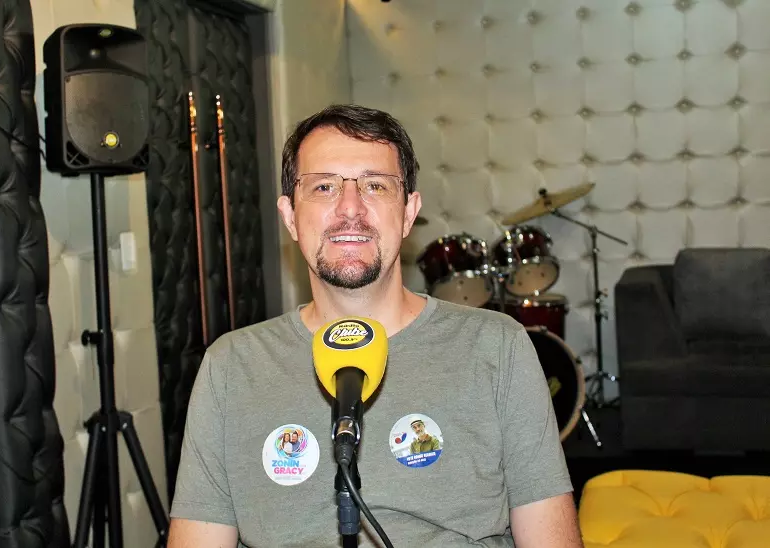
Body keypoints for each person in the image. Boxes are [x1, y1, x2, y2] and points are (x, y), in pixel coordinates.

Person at [167, 104, 584, 547]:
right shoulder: (231, 366)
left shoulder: (498, 347)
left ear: (408, 213)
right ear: (290, 216)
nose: (350, 207)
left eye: (375, 185)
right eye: (324, 186)